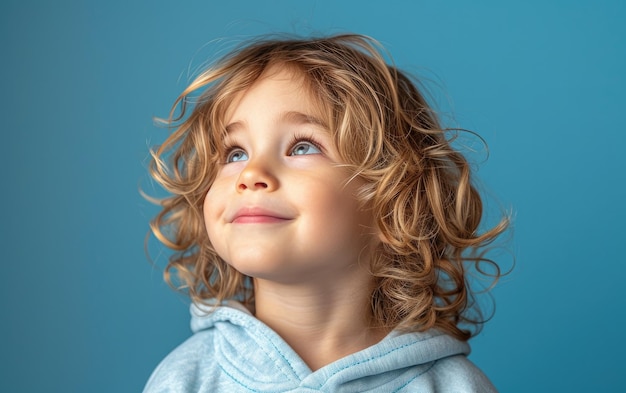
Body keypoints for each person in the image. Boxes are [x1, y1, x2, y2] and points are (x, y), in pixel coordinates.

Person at [143, 33, 509, 392]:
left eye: (302, 147)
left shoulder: (455, 386)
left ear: (392, 200)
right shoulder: (184, 380)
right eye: (235, 153)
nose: (251, 174)